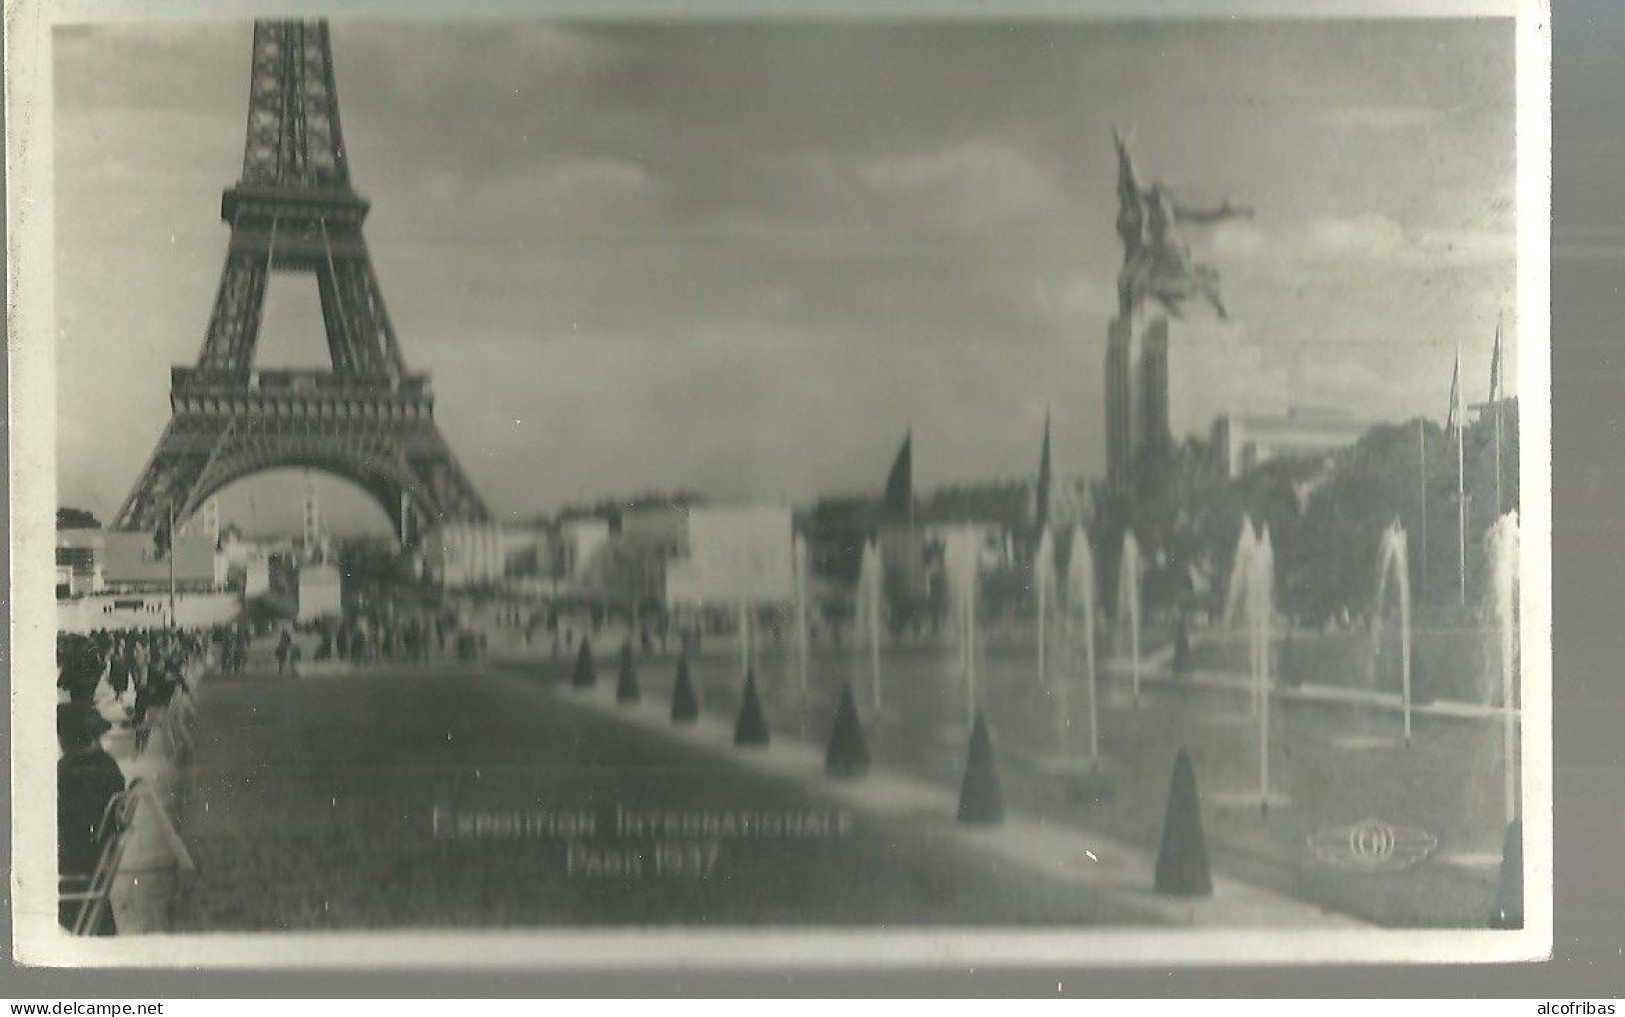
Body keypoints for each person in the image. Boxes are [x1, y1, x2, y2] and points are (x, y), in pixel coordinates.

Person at [57, 702, 125, 935]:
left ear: (67, 738)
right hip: (96, 860)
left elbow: (67, 822)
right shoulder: (107, 764)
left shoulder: (67, 771)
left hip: (75, 865)